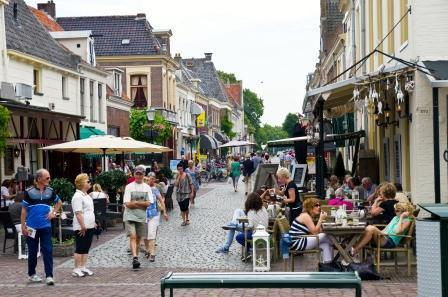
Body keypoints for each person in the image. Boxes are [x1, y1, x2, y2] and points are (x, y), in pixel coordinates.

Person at [21, 169, 62, 285]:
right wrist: (23, 225)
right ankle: (32, 274)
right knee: (33, 252)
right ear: (39, 179)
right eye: (47, 178)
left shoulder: (50, 191)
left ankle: (49, 276)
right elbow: (24, 210)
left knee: (48, 251)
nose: (49, 180)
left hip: (45, 227)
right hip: (31, 228)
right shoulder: (29, 192)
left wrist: (53, 213)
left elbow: (59, 202)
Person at [216, 192, 269, 257]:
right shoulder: (263, 208)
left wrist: (238, 227)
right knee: (238, 211)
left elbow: (250, 226)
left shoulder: (250, 212)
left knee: (238, 236)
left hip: (256, 232)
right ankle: (233, 225)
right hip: (264, 231)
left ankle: (248, 248)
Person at [123, 165, 152, 269]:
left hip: (141, 216)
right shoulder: (129, 187)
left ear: (144, 175)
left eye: (141, 174)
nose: (139, 176)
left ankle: (136, 256)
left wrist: (135, 203)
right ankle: (135, 257)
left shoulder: (147, 187)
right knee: (133, 236)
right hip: (129, 216)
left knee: (139, 238)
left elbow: (149, 203)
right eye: (137, 174)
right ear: (134, 174)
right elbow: (127, 204)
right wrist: (141, 203)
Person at [289, 197, 333, 263]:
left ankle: (328, 266)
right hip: (298, 243)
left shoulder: (307, 216)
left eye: (319, 205)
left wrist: (321, 221)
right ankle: (340, 246)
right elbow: (315, 233)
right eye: (316, 205)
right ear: (310, 207)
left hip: (301, 241)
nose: (319, 207)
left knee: (325, 244)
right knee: (325, 235)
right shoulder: (305, 216)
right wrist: (320, 219)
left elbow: (315, 232)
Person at [71, 174, 96, 277]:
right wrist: (82, 225)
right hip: (81, 226)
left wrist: (92, 222)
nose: (89, 182)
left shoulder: (86, 195)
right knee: (80, 247)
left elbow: (89, 210)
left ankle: (83, 266)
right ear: (81, 184)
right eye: (87, 181)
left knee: (86, 247)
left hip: (89, 225)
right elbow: (78, 212)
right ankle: (76, 268)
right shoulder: (77, 196)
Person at [144, 173, 168, 262]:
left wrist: (164, 212)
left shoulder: (154, 190)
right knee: (145, 235)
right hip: (143, 215)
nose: (148, 182)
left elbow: (161, 200)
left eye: (150, 179)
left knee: (151, 233)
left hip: (154, 214)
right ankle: (147, 249)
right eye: (147, 180)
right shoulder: (141, 190)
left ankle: (153, 253)